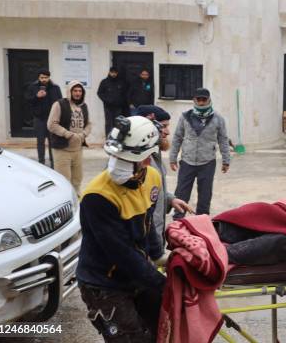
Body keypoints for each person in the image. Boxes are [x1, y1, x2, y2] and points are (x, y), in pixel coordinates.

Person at [77, 116, 165, 342]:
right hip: (105, 283)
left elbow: (148, 223)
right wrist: (161, 282)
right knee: (130, 338)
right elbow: (120, 253)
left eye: (125, 159)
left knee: (161, 329)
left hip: (137, 273)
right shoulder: (98, 196)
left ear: (146, 159)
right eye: (114, 157)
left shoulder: (153, 177)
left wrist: (158, 255)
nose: (117, 165)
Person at [135, 105, 192, 247]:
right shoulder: (136, 161)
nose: (167, 132)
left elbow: (152, 190)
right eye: (164, 126)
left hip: (154, 238)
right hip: (143, 240)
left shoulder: (154, 154)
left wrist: (169, 199)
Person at [169, 88, 230, 217]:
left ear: (209, 100)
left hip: (207, 162)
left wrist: (226, 160)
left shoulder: (218, 118)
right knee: (181, 192)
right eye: (199, 100)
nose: (201, 103)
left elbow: (223, 140)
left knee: (205, 194)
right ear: (194, 100)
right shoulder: (185, 116)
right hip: (187, 161)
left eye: (204, 100)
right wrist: (172, 158)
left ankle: (202, 220)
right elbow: (177, 137)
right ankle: (178, 220)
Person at [47, 80, 91, 195]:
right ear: (69, 91)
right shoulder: (59, 104)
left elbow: (89, 124)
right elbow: (51, 124)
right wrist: (68, 134)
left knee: (77, 179)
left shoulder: (84, 106)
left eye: (80, 91)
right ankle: (65, 201)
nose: (78, 93)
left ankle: (76, 199)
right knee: (63, 180)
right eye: (75, 90)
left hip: (78, 149)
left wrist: (83, 134)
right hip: (62, 150)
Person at [24, 69, 62, 165]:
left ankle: (53, 163)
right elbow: (28, 100)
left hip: (52, 119)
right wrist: (37, 96)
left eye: (46, 77)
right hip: (39, 119)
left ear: (49, 77)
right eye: (42, 77)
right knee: (40, 142)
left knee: (52, 142)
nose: (44, 79)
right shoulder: (33, 87)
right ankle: (41, 162)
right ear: (38, 77)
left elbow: (60, 102)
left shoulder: (55, 87)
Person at [97, 66, 128, 136]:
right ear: (109, 72)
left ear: (117, 73)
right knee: (108, 123)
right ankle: (108, 139)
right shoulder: (104, 82)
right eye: (112, 72)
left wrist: (121, 101)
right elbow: (99, 93)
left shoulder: (120, 82)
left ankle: (116, 138)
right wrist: (107, 100)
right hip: (108, 107)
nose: (114, 74)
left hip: (118, 107)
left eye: (115, 73)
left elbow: (124, 93)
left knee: (118, 123)